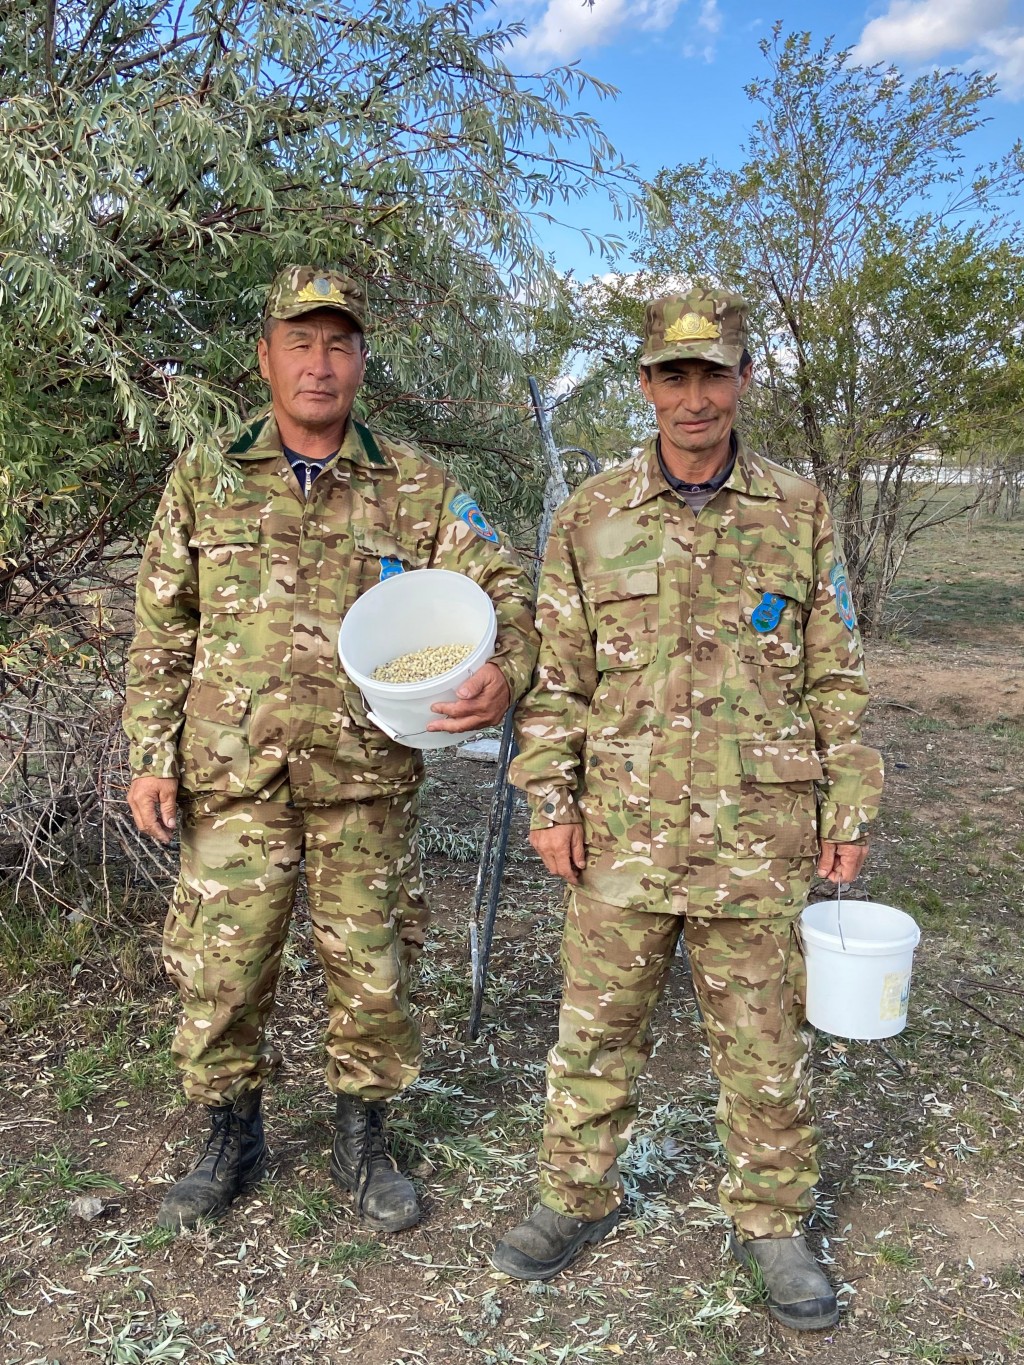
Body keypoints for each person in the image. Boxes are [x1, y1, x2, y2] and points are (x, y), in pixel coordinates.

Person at [491, 290, 883, 1331]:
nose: (695, 396)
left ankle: (772, 1220)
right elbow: (558, 679)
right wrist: (550, 798)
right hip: (619, 830)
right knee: (595, 1030)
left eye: (714, 373)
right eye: (675, 375)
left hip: (759, 833)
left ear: (746, 379)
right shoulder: (591, 513)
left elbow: (833, 671)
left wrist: (845, 808)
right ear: (645, 386)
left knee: (762, 1040)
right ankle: (572, 1194)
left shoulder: (797, 508)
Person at [124, 265, 537, 1234]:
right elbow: (161, 625)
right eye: (300, 341)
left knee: (373, 968)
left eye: (339, 342)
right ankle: (231, 1133)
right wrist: (151, 751)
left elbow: (504, 583)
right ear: (264, 356)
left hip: (365, 781)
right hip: (234, 778)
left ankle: (365, 1136)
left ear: (360, 359)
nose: (320, 362)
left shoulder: (419, 485)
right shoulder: (206, 475)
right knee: (221, 972)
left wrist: (507, 663)